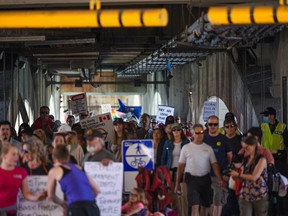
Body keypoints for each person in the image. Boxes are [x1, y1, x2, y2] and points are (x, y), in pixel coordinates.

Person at [175, 124, 224, 216]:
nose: (199, 135)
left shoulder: (208, 148)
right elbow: (181, 166)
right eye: (197, 133)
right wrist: (177, 183)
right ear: (193, 134)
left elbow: (214, 164)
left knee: (206, 206)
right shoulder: (186, 148)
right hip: (191, 179)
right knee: (195, 205)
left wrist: (219, 178)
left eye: (201, 132)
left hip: (205, 179)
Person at [47, 145, 100, 216]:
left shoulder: (55, 170)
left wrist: (63, 203)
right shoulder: (79, 168)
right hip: (92, 207)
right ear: (68, 157)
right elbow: (96, 190)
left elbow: (51, 196)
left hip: (76, 207)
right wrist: (87, 201)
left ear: (54, 158)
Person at [0, 142, 47, 216]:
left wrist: (37, 197)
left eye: (17, 154)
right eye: (13, 154)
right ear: (4, 155)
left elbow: (26, 194)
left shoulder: (21, 171)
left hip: (13, 212)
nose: (17, 157)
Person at [229, 136, 269, 216]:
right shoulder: (246, 159)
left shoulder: (261, 159)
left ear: (254, 145)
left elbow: (254, 177)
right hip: (245, 194)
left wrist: (238, 174)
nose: (245, 150)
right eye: (244, 148)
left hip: (259, 194)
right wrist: (235, 175)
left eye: (247, 147)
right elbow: (243, 178)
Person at [203, 115, 232, 216]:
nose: (213, 126)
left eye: (215, 124)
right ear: (207, 125)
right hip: (205, 175)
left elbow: (230, 158)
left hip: (219, 176)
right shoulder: (203, 138)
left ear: (218, 125)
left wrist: (226, 174)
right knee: (207, 202)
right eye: (210, 124)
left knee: (218, 201)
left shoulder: (224, 139)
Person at [260, 107, 288, 176]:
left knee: (281, 178)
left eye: (266, 115)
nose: (265, 117)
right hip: (266, 157)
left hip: (279, 158)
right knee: (267, 178)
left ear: (272, 116)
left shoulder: (282, 127)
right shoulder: (262, 126)